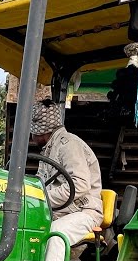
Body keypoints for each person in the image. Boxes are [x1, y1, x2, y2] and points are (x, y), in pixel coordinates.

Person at [30, 100, 103, 244]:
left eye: (32, 132)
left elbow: (80, 185)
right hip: (60, 212)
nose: (31, 137)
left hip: (83, 212)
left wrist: (40, 198)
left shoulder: (69, 145)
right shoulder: (48, 150)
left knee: (55, 235)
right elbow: (40, 183)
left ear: (41, 131)